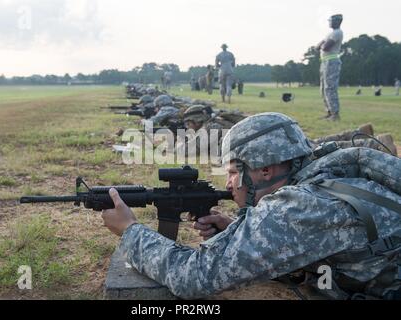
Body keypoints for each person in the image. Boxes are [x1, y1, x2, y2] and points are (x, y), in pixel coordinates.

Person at [101, 112, 401, 300]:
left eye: (233, 171)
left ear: (265, 170)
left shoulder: (299, 207)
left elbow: (194, 278)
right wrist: (237, 228)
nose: (229, 183)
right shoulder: (328, 174)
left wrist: (130, 230)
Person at [316, 14, 344, 121]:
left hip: (331, 62)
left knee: (330, 88)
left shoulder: (337, 33)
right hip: (324, 62)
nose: (329, 22)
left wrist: (322, 44)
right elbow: (317, 47)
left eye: (331, 20)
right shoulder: (330, 33)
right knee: (323, 89)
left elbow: (325, 47)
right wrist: (322, 44)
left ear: (337, 21)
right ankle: (329, 112)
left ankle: (335, 114)